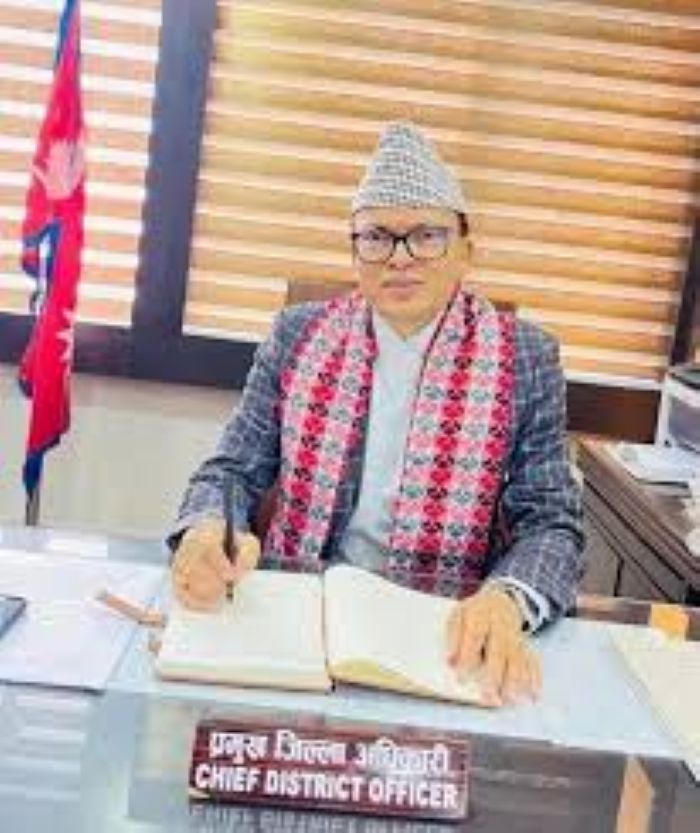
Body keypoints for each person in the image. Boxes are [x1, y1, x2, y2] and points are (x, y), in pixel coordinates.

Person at [169, 122, 584, 706]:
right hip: (302, 608)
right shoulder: (297, 334)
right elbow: (230, 470)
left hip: (444, 620)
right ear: (355, 251)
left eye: (427, 236)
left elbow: (552, 522)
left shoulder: (524, 357)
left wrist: (507, 599)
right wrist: (208, 529)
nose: (400, 259)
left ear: (467, 250)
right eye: (377, 238)